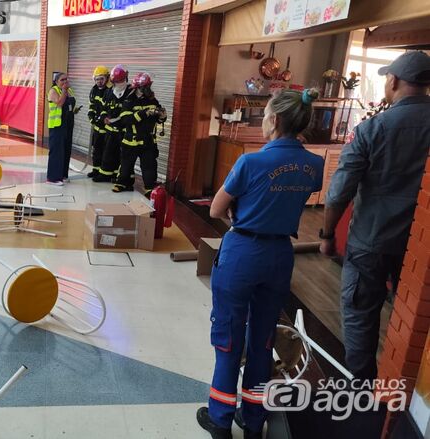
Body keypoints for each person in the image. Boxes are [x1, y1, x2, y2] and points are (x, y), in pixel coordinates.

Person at [196, 89, 325, 439]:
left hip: (243, 253)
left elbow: (215, 209)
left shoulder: (250, 162)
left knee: (228, 337)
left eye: (266, 115)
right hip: (280, 255)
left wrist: (242, 211)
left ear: (275, 120)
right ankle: (254, 421)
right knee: (263, 340)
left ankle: (220, 418)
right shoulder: (315, 165)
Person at [321, 51, 430, 380]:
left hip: (371, 238)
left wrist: (327, 235)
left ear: (393, 81)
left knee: (360, 312)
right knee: (411, 315)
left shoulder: (373, 128)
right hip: (421, 248)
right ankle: (402, 387)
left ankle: (361, 386)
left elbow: (339, 192)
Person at [111, 72, 167, 196]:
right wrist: (144, 113)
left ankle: (149, 188)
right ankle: (121, 184)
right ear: (138, 87)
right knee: (126, 165)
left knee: (149, 166)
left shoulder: (152, 100)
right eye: (145, 87)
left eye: (149, 86)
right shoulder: (129, 100)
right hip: (131, 140)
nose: (148, 89)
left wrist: (162, 116)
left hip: (148, 141)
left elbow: (159, 119)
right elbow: (126, 119)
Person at [94, 64, 132, 183]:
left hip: (124, 131)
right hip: (110, 129)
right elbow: (104, 107)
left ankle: (121, 177)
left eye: (120, 81)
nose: (118, 84)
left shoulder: (131, 91)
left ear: (125, 78)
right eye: (115, 82)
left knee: (123, 156)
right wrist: (104, 117)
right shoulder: (109, 91)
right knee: (108, 153)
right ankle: (105, 175)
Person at [46, 72, 76, 186]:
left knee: (66, 150)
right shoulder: (53, 91)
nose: (65, 82)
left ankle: (63, 175)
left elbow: (70, 104)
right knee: (57, 151)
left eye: (66, 79)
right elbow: (59, 103)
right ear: (56, 81)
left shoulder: (69, 91)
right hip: (57, 125)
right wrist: (64, 90)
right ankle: (53, 178)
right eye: (62, 80)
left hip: (67, 124)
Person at [87, 65, 111, 179]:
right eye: (97, 79)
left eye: (102, 79)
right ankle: (96, 170)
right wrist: (91, 116)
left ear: (107, 78)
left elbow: (108, 109)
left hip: (106, 128)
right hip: (97, 127)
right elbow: (92, 105)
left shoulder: (110, 91)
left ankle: (103, 172)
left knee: (106, 151)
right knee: (96, 149)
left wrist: (101, 119)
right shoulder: (94, 90)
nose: (99, 81)